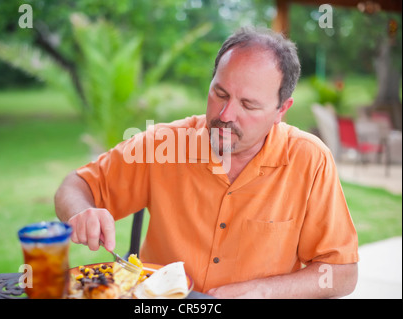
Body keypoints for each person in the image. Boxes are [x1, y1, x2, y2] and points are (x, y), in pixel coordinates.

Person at [55, 27, 358, 298]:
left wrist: (265, 291)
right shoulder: (163, 144)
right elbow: (76, 184)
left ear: (282, 109)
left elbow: (341, 273)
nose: (225, 115)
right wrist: (81, 212)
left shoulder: (309, 159)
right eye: (219, 93)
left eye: (248, 104)